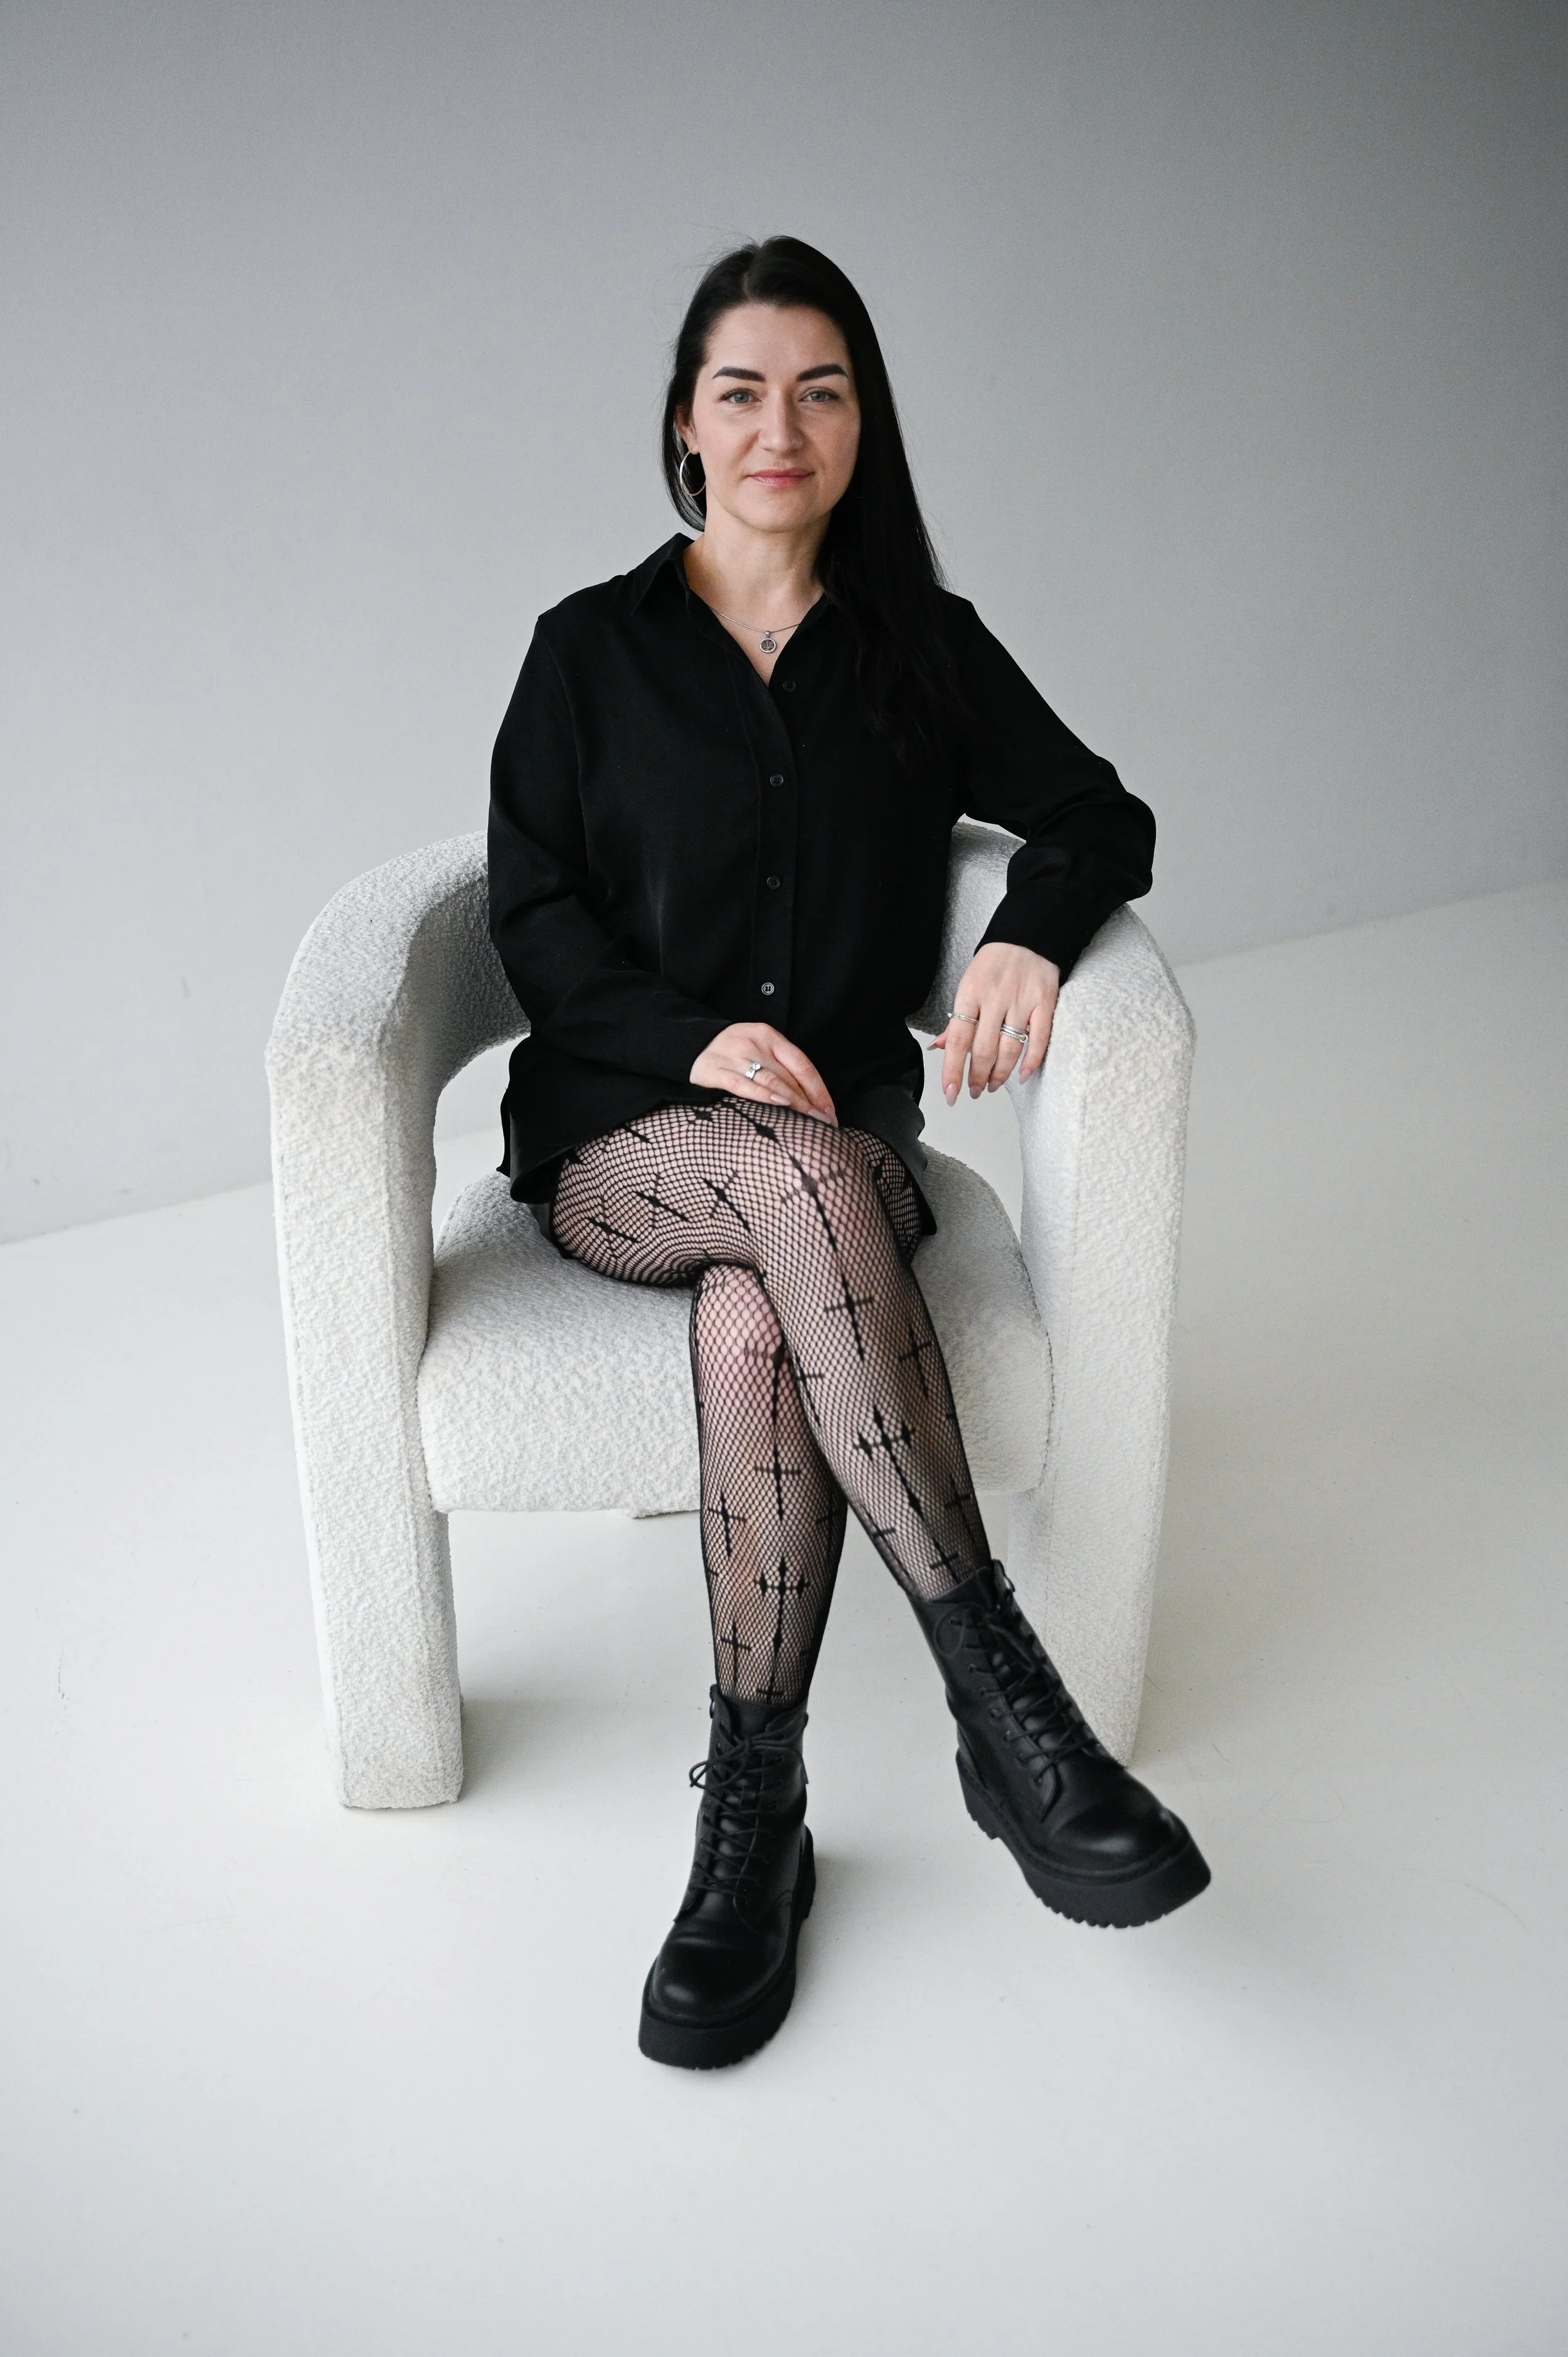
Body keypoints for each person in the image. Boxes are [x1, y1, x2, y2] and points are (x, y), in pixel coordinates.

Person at [488, 236, 1208, 2071]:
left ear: (862, 425)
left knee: (760, 1311)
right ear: (684, 421)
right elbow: (533, 917)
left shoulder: (918, 651)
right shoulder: (587, 652)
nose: (778, 429)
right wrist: (688, 1039)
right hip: (625, 1136)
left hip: (833, 1147)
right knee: (774, 1190)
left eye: (820, 391)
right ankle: (1007, 1704)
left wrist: (1027, 933)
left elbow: (1096, 811)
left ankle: (755, 1819)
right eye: (740, 391)